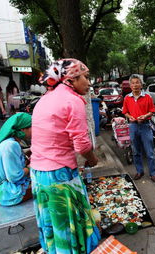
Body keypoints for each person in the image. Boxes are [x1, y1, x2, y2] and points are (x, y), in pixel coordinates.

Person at [30, 58, 100, 253]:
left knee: (52, 221)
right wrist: (92, 159)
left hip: (38, 174)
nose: (89, 82)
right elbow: (82, 145)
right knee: (69, 225)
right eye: (86, 77)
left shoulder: (45, 98)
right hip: (58, 175)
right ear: (72, 79)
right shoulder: (72, 100)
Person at [0, 112, 32, 206]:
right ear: (23, 129)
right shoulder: (11, 145)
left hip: (4, 191)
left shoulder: (8, 142)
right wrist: (30, 167)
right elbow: (14, 176)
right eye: (32, 127)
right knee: (46, 185)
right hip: (10, 194)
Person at [122, 74, 155, 182]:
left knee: (149, 151)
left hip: (145, 126)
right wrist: (130, 117)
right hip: (133, 126)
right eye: (132, 83)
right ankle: (139, 171)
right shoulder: (127, 98)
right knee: (135, 151)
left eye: (137, 82)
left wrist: (145, 116)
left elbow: (152, 111)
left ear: (141, 84)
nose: (135, 85)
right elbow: (125, 112)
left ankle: (153, 173)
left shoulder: (148, 97)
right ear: (130, 85)